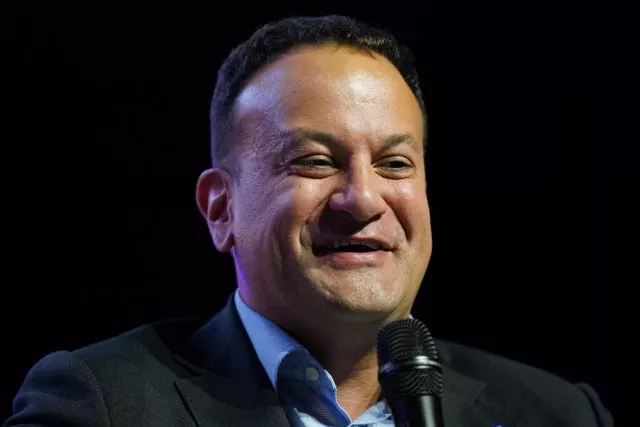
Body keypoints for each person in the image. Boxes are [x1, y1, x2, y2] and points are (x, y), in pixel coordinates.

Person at [4, 15, 613, 427]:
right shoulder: (102, 405)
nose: (363, 198)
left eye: (394, 163)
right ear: (221, 210)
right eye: (315, 161)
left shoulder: (556, 412)